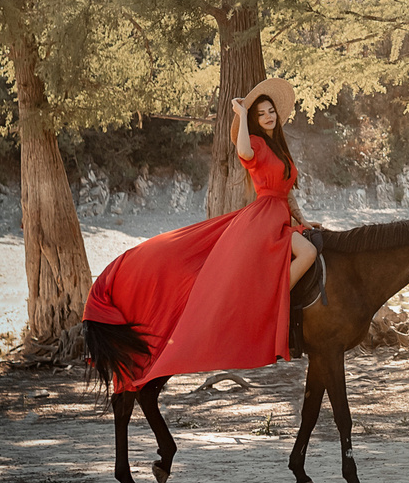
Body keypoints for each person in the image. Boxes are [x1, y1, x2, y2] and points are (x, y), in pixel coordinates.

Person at [80, 77, 313, 389]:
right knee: (308, 253)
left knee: (309, 247)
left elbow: (288, 191)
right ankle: (272, 297)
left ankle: (276, 295)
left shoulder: (280, 149)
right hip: (261, 220)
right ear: (256, 121)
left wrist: (304, 220)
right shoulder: (256, 143)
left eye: (270, 111)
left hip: (280, 217)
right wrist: (242, 116)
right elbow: (242, 151)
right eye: (262, 114)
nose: (269, 116)